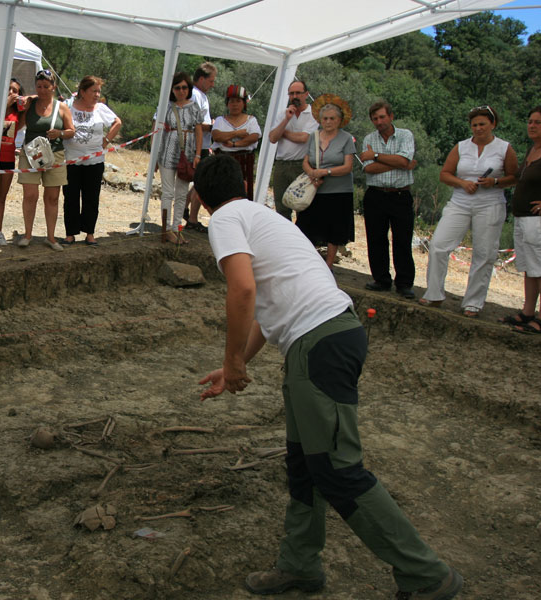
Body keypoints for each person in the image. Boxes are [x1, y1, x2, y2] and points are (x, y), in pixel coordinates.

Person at [194, 153, 464, 600]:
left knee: (338, 469)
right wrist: (232, 365)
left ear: (202, 198)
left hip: (320, 342)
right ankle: (299, 564)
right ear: (241, 183)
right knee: (306, 462)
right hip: (322, 340)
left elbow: (242, 290)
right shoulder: (262, 216)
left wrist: (235, 364)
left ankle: (426, 574)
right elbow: (265, 312)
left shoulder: (224, 220)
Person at [420, 106, 518, 317]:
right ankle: (434, 293)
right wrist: (462, 183)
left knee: (484, 253)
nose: (478, 128)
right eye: (474, 125)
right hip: (461, 201)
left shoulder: (504, 148)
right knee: (438, 245)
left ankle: (473, 302)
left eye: (482, 124)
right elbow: (445, 174)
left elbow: (514, 177)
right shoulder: (461, 147)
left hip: (490, 203)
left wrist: (495, 181)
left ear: (493, 124)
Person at [499, 105, 541, 336]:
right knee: (529, 268)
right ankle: (527, 312)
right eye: (530, 121)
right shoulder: (534, 149)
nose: (532, 125)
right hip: (524, 219)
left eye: (538, 122)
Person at [360, 101, 418, 298]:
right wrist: (397, 162)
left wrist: (375, 155)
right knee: (376, 239)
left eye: (382, 117)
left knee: (402, 239)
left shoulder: (405, 135)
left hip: (400, 194)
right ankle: (381, 279)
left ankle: (404, 283)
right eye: (375, 119)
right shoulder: (368, 138)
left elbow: (404, 160)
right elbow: (368, 168)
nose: (379, 122)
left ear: (391, 116)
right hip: (376, 193)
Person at [16, 68, 75, 251]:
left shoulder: (61, 107)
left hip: (54, 154)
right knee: (30, 195)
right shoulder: (30, 104)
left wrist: (60, 133)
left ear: (53, 87)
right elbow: (19, 125)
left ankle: (50, 237)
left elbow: (72, 131)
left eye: (46, 86)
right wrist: (18, 107)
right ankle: (27, 235)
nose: (42, 90)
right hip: (31, 153)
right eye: (39, 86)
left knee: (52, 197)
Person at [297, 94, 355, 271]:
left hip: (339, 190)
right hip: (316, 189)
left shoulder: (346, 138)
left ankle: (328, 265)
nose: (328, 122)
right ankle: (307, 261)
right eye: (325, 118)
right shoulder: (313, 137)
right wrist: (311, 173)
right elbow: (306, 160)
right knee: (307, 225)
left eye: (332, 118)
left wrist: (326, 172)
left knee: (334, 230)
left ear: (339, 120)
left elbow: (348, 166)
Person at [62, 75, 121, 246]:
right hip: (71, 160)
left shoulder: (101, 108)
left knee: (91, 197)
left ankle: (89, 233)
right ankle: (70, 233)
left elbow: (117, 122)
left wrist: (106, 141)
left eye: (98, 92)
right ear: (82, 91)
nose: (97, 95)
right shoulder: (68, 107)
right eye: (93, 91)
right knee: (71, 196)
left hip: (94, 161)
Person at [156, 71, 203, 245]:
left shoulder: (195, 107)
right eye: (178, 88)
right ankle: (166, 228)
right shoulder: (165, 107)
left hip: (188, 154)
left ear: (189, 88)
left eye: (184, 87)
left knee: (182, 193)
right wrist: (154, 157)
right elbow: (157, 129)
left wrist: (198, 154)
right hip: (167, 152)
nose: (181, 91)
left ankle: (177, 227)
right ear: (173, 90)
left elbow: (199, 131)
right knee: (167, 192)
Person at [268, 79, 319, 220]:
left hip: (301, 165)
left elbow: (303, 138)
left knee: (302, 206)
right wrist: (285, 120)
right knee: (281, 207)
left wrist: (283, 132)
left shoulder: (313, 114)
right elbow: (272, 138)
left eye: (298, 93)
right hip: (281, 164)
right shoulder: (283, 114)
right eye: (291, 93)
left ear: (306, 94)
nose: (295, 96)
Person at [211, 84, 260, 201]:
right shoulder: (220, 120)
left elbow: (254, 137)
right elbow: (216, 136)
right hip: (223, 161)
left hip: (244, 161)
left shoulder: (251, 120)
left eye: (238, 101)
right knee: (222, 193)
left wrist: (234, 144)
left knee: (243, 193)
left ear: (244, 103)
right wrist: (237, 133)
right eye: (231, 101)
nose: (234, 104)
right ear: (227, 104)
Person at [0, 77, 23, 248]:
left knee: (2, 198)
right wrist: (5, 103)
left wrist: (23, 101)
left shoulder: (18, 114)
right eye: (9, 89)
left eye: (15, 90)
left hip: (8, 159)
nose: (11, 93)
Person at [185, 61, 217, 232]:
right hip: (197, 145)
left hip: (203, 144)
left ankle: (185, 209)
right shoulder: (195, 95)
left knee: (198, 182)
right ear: (202, 79)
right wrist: (213, 127)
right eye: (211, 81)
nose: (212, 84)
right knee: (200, 183)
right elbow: (194, 124)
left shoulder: (201, 95)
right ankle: (192, 218)